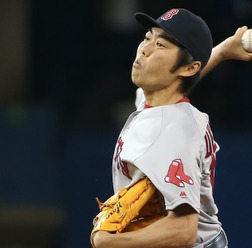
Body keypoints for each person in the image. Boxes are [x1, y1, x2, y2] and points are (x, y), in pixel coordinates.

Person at [92, 7, 252, 248]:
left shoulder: (170, 133)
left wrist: (110, 243)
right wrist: (220, 53)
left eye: (161, 46)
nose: (144, 49)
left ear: (189, 68)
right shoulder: (160, 104)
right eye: (148, 37)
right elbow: (180, 82)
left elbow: (183, 229)